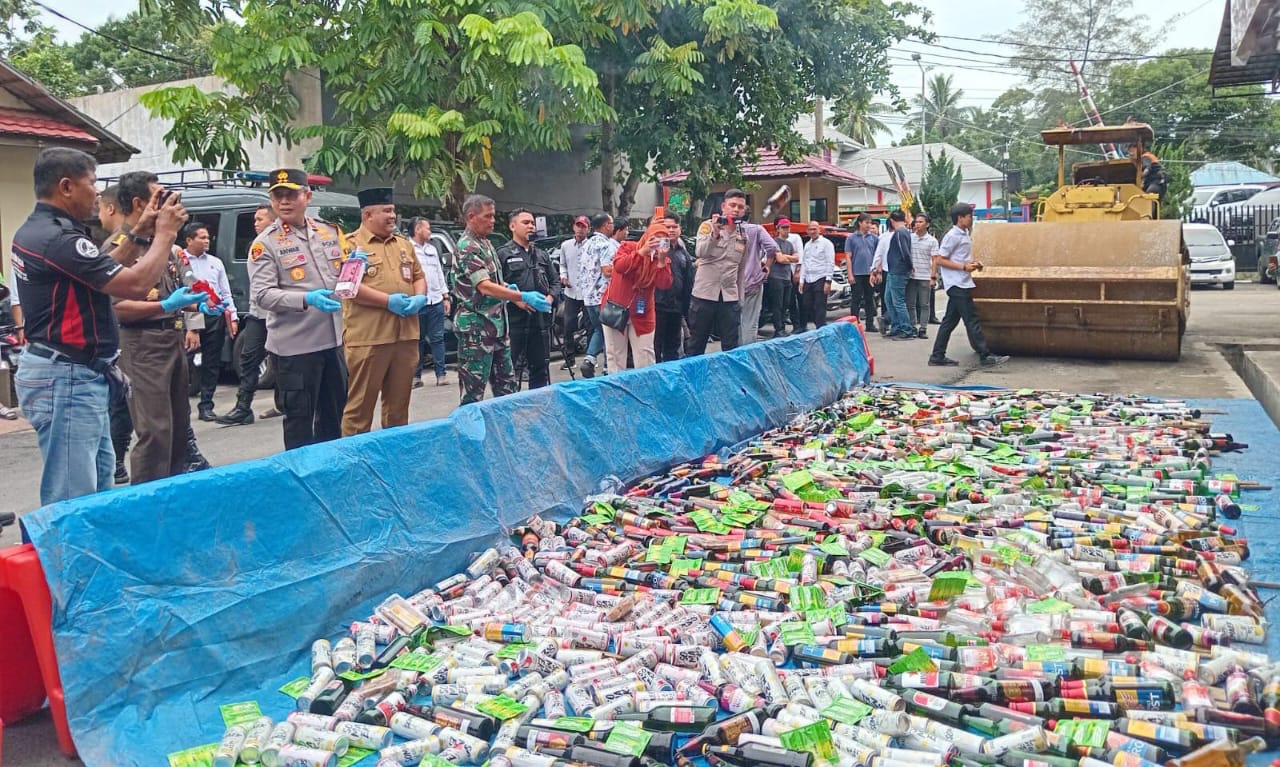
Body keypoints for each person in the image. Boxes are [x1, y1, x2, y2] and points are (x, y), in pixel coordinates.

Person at [11, 147, 188, 506]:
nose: (97, 191)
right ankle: (67, 562)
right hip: (67, 377)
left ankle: (85, 560)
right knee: (74, 498)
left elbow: (101, 268)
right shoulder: (59, 239)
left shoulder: (42, 231)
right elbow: (134, 283)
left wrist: (139, 230)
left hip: (71, 373)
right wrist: (165, 235)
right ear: (65, 187)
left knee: (96, 486)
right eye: (91, 183)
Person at [104, 175, 220, 485]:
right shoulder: (121, 248)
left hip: (172, 340)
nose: (172, 202)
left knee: (178, 428)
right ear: (141, 204)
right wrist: (166, 306)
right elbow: (114, 307)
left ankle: (172, 497)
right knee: (155, 432)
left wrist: (201, 305)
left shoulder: (166, 247)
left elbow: (184, 290)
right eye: (161, 197)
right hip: (141, 345)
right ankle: (147, 504)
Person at [248, 168, 348, 450]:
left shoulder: (327, 232)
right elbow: (263, 296)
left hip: (333, 341)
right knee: (299, 421)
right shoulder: (265, 243)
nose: (284, 202)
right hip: (295, 348)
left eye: (290, 194)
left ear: (307, 196)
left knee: (334, 414)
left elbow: (341, 277)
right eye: (277, 196)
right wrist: (305, 299)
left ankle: (329, 471)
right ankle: (301, 479)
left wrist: (357, 267)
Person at [449, 194, 552, 404]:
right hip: (476, 329)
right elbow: (484, 287)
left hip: (497, 327)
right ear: (471, 216)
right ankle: (471, 435)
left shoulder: (485, 243)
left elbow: (492, 280)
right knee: (473, 392)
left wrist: (508, 289)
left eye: (494, 216)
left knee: (507, 389)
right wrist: (520, 295)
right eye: (488, 216)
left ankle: (507, 433)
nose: (493, 221)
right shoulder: (467, 246)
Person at [339, 188, 425, 436]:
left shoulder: (403, 245)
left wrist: (419, 296)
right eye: (387, 211)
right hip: (370, 339)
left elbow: (418, 276)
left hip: (405, 336)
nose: (393, 216)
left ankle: (393, 463)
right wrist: (387, 301)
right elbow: (348, 288)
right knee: (359, 412)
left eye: (393, 211)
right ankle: (355, 464)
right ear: (368, 215)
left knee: (398, 410)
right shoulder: (351, 245)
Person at [686, 189, 776, 356]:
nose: (736, 210)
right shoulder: (707, 226)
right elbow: (701, 252)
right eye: (732, 205)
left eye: (740, 207)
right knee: (696, 343)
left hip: (729, 297)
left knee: (731, 344)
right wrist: (715, 232)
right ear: (723, 206)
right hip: (704, 295)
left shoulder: (743, 235)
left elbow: (741, 270)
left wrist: (740, 298)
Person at [928, 202, 1010, 368]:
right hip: (957, 284)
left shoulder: (964, 234)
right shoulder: (952, 236)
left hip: (963, 282)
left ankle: (937, 355)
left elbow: (960, 257)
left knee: (949, 322)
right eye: (969, 216)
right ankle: (985, 355)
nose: (971, 219)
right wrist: (963, 267)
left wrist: (973, 263)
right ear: (960, 218)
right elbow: (940, 259)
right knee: (971, 319)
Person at [218, 204, 277, 425]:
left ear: (272, 220)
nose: (255, 223)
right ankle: (243, 407)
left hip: (279, 312)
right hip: (257, 313)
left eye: (260, 219)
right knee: (248, 358)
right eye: (254, 219)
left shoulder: (279, 242)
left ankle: (283, 404)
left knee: (283, 360)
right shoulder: (257, 244)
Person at [600, 216, 674, 372]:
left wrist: (661, 261)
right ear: (647, 236)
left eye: (663, 239)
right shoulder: (628, 246)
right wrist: (642, 252)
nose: (658, 242)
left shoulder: (663, 259)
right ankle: (617, 390)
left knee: (645, 356)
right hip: (616, 308)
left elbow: (664, 284)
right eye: (655, 238)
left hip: (642, 312)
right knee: (615, 356)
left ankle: (647, 391)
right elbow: (620, 266)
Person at [180, 222, 238, 421]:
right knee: (183, 364)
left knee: (211, 363)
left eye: (207, 237)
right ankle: (180, 408)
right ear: (189, 240)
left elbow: (225, 292)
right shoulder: (180, 261)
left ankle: (206, 405)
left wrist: (233, 316)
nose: (207, 241)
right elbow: (184, 295)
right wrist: (192, 327)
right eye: (202, 237)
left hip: (214, 316)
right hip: (188, 316)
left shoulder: (215, 262)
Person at [498, 209, 558, 389]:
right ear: (512, 226)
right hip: (515, 320)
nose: (531, 226)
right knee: (509, 368)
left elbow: (555, 281)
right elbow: (496, 285)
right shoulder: (503, 254)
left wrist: (549, 299)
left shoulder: (541, 254)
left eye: (532, 223)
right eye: (525, 223)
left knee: (540, 366)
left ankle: (537, 405)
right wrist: (517, 300)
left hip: (540, 321)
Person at [409, 217, 450, 388]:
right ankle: (415, 376)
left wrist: (446, 296)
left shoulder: (432, 249)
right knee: (417, 340)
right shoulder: (407, 249)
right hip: (418, 301)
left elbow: (439, 273)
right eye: (427, 228)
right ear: (418, 229)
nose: (430, 231)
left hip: (436, 300)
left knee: (438, 338)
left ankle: (441, 374)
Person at [576, 213, 616, 378]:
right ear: (606, 225)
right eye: (612, 223)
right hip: (603, 296)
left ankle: (589, 359)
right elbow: (607, 271)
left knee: (599, 330)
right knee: (610, 332)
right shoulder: (606, 245)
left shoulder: (586, 244)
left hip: (589, 297)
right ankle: (608, 366)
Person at [653, 212, 693, 362]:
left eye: (674, 227)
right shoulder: (656, 250)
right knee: (656, 347)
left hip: (677, 307)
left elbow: (688, 282)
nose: (671, 230)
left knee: (673, 347)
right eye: (667, 227)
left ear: (680, 229)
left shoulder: (683, 253)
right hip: (658, 306)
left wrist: (686, 308)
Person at [875, 210, 914, 340]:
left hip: (899, 270)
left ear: (891, 220)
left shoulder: (900, 232)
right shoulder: (903, 232)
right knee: (888, 299)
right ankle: (896, 327)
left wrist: (909, 266)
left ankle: (906, 329)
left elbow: (905, 252)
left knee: (898, 301)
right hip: (893, 270)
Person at [558, 215, 590, 370]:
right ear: (573, 227)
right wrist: (563, 277)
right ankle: (569, 358)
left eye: (583, 226)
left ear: (588, 229)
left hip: (587, 291)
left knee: (590, 324)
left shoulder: (590, 245)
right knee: (568, 324)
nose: (580, 229)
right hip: (571, 291)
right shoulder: (565, 245)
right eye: (578, 226)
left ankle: (590, 357)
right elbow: (562, 264)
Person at [843, 213, 879, 332]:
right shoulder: (851, 238)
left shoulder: (874, 238)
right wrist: (850, 274)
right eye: (867, 222)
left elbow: (878, 256)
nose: (869, 225)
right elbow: (848, 257)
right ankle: (854, 324)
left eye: (870, 223)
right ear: (860, 223)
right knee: (856, 299)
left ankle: (870, 324)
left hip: (869, 273)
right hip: (856, 273)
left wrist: (876, 272)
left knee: (869, 299)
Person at [797, 221, 835, 331]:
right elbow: (804, 262)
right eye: (810, 229)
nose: (813, 231)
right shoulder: (807, 245)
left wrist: (828, 281)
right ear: (807, 231)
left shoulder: (826, 244)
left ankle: (820, 328)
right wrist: (801, 280)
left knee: (820, 305)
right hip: (808, 278)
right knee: (806, 304)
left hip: (821, 277)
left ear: (819, 230)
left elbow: (830, 262)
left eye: (815, 229)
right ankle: (818, 325)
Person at [764, 218, 799, 337]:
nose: (786, 230)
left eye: (787, 227)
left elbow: (796, 258)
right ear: (778, 229)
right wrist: (788, 258)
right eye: (783, 228)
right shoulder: (774, 242)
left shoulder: (789, 244)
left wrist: (786, 257)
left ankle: (783, 327)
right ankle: (778, 329)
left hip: (786, 277)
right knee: (777, 304)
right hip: (776, 277)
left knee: (786, 304)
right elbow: (780, 259)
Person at [907, 213, 938, 339]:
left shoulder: (932, 241)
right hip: (911, 276)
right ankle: (913, 327)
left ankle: (923, 328)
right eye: (916, 221)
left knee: (925, 304)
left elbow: (935, 259)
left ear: (927, 224)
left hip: (925, 276)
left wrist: (933, 277)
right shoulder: (910, 238)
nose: (917, 224)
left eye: (921, 222)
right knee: (911, 303)